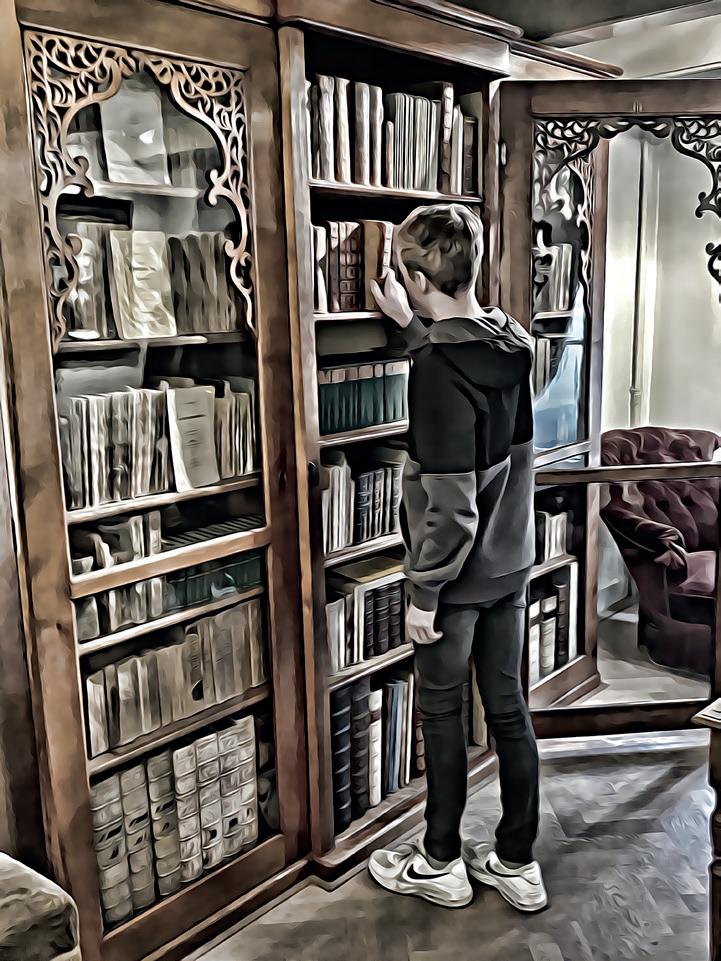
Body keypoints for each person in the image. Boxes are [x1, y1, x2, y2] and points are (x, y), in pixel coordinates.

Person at [367, 203, 547, 913]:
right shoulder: (512, 339)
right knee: (508, 710)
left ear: (416, 278)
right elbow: (468, 384)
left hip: (457, 581)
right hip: (510, 565)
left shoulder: (438, 369)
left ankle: (439, 861)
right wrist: (412, 329)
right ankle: (516, 861)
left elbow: (452, 507)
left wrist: (423, 593)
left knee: (442, 715)